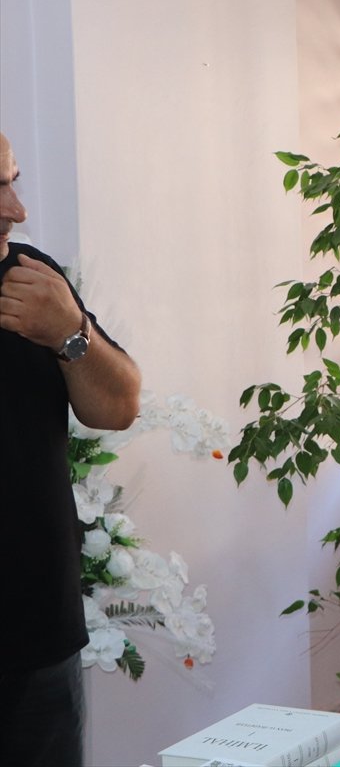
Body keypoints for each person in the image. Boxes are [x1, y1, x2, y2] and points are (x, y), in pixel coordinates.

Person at [0, 131, 142, 767]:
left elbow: (118, 406)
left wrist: (69, 332)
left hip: (39, 637)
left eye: (13, 181)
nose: (17, 209)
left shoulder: (32, 280)